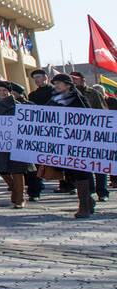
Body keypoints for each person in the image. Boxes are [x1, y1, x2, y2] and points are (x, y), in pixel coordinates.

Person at [48, 73, 94, 218]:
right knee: (70, 172)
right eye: (55, 84)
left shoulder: (79, 99)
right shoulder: (53, 100)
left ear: (68, 85)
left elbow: (89, 118)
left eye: (58, 83)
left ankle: (84, 206)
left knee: (81, 171)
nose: (56, 86)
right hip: (62, 142)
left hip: (79, 142)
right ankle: (88, 200)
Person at [0, 81, 34, 208]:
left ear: (10, 92)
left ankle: (20, 198)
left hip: (15, 143)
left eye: (4, 90)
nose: (2, 93)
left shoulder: (18, 106)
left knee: (17, 171)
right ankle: (13, 188)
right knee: (2, 169)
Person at [69, 72, 109, 202]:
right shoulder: (68, 96)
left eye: (75, 79)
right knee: (85, 165)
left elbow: (103, 111)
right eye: (71, 80)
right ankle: (89, 191)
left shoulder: (93, 93)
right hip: (78, 135)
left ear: (82, 79)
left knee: (99, 164)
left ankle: (102, 192)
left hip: (94, 133)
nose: (74, 82)